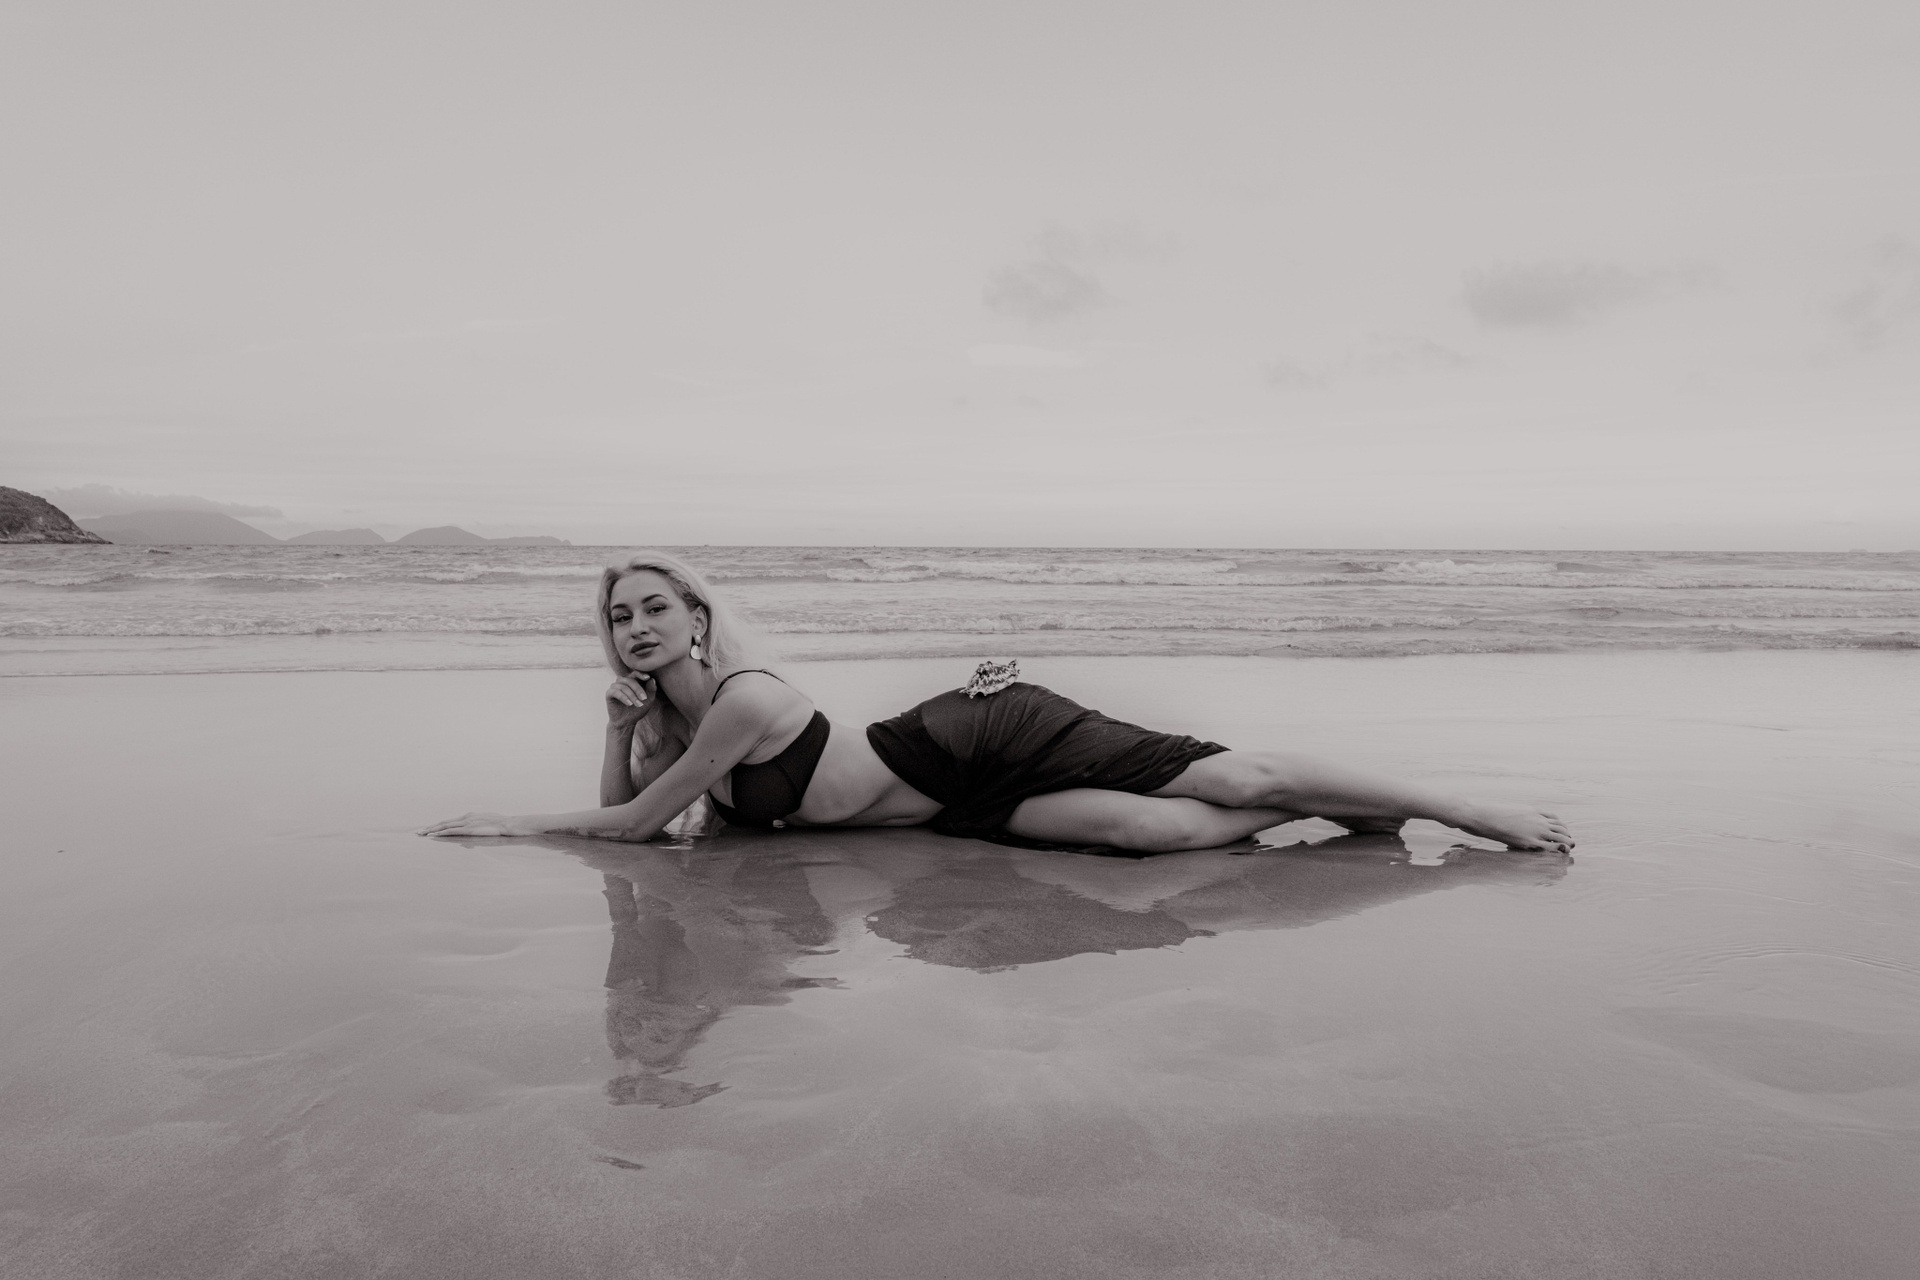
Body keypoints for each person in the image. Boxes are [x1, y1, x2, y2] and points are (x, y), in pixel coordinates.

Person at [421, 553, 1574, 855]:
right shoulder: (673, 725)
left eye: (654, 606)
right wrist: (618, 724)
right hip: (951, 809)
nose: (636, 625)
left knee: (1235, 775)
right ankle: (1341, 810)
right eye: (619, 615)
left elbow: (628, 827)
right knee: (1151, 837)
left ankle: (1466, 808)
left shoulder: (742, 698)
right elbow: (636, 806)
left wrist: (505, 823)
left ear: (696, 615)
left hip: (978, 731)